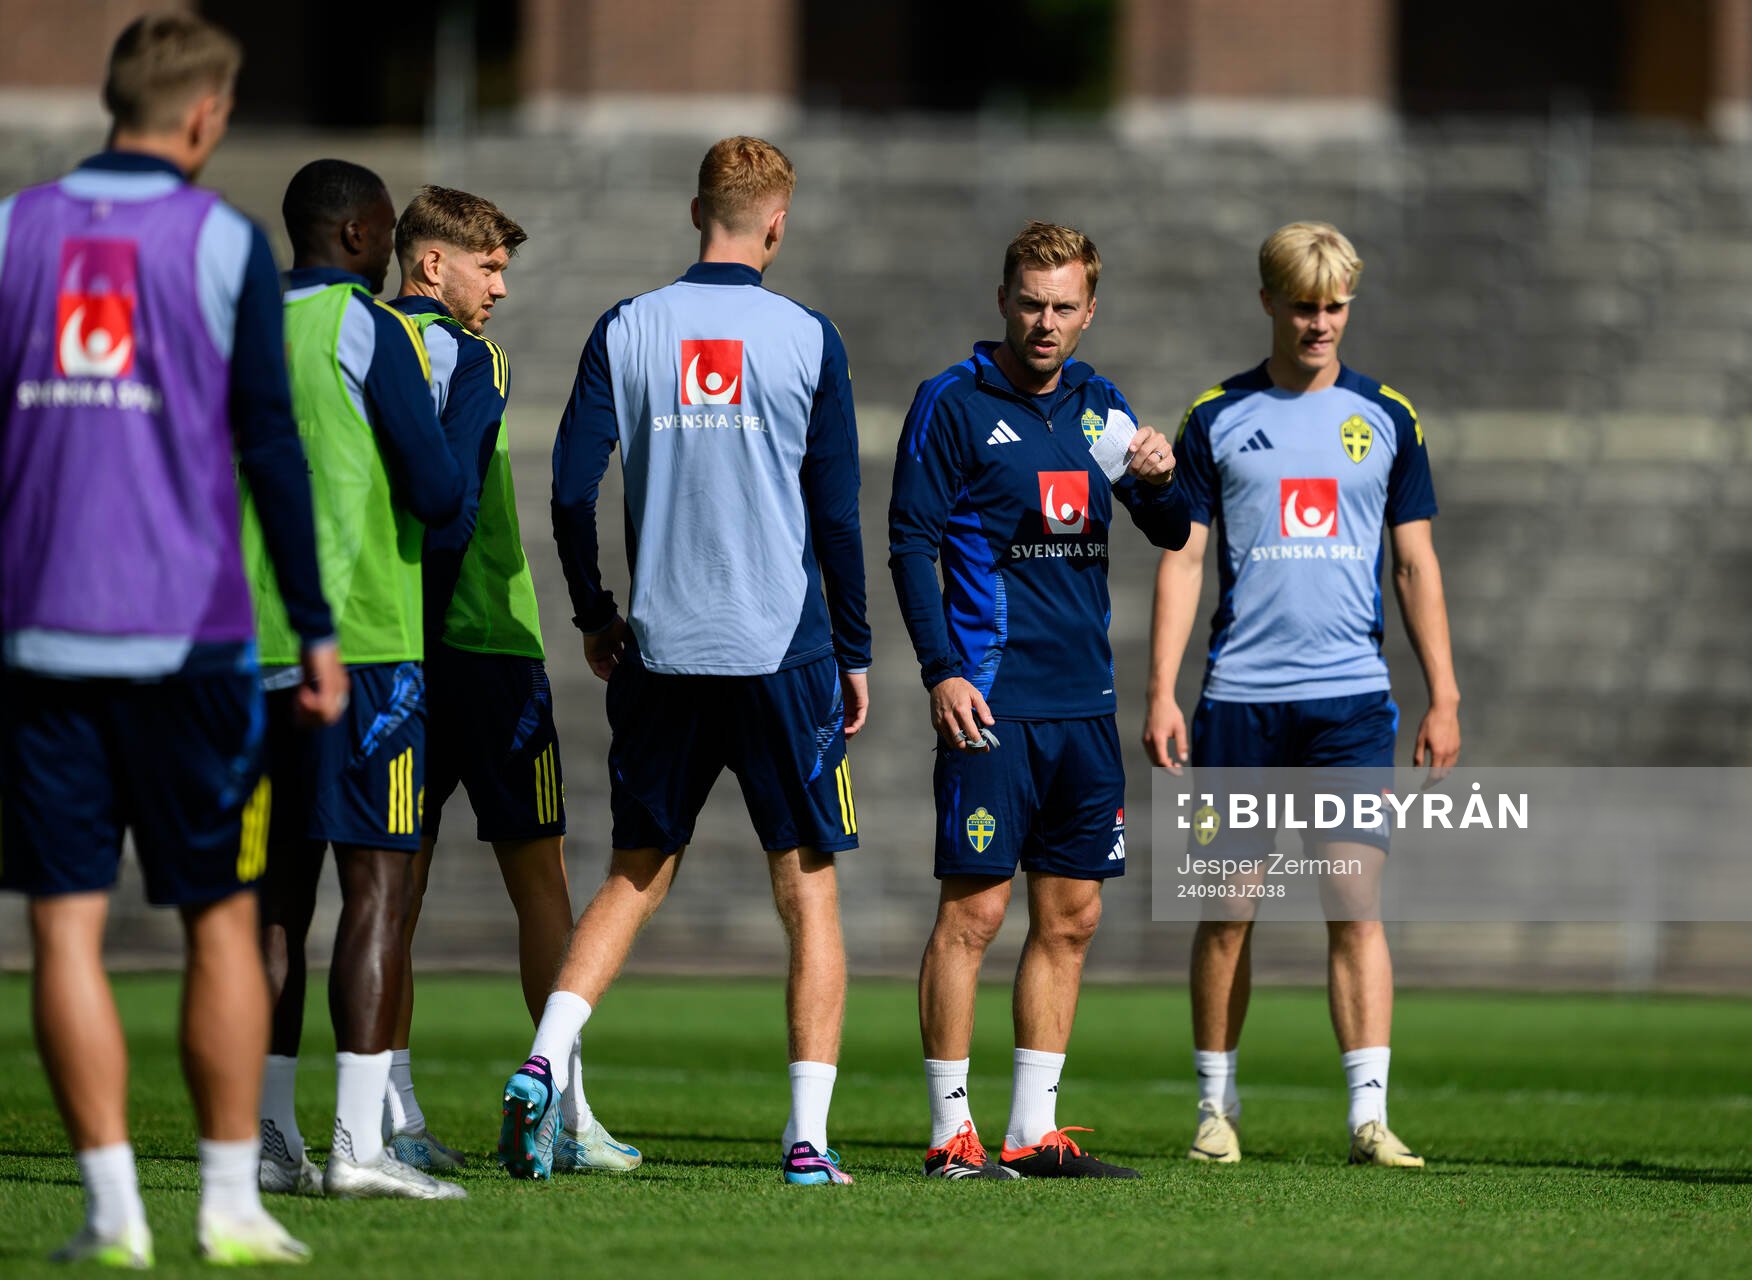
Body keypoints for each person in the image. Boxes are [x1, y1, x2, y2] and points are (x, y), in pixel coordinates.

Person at [0, 13, 342, 1265]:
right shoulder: (219, 241)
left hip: (40, 637)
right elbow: (268, 445)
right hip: (194, 642)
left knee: (65, 927)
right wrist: (313, 626)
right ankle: (228, 1200)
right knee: (219, 914)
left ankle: (111, 1208)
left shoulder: (10, 230)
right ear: (203, 114)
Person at [500, 135, 869, 1186]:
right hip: (780, 646)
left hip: (660, 645)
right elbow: (835, 514)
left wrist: (595, 611)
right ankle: (805, 1141)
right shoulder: (806, 335)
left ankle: (542, 1060)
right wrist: (856, 646)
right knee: (808, 890)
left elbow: (570, 491)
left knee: (631, 875)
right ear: (778, 220)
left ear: (695, 208)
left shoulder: (629, 326)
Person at [1142, 221, 1461, 1168]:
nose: (1319, 324)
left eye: (1334, 307)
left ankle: (1369, 1116)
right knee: (1229, 907)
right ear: (1269, 303)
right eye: (1303, 306)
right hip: (1239, 702)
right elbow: (1185, 557)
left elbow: (1415, 564)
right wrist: (1161, 690)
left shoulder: (1389, 417)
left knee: (1353, 902)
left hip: (1352, 701)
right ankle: (1216, 1108)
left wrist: (1443, 694)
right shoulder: (1216, 417)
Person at [888, 221, 1188, 1180]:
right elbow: (908, 543)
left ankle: (1031, 1134)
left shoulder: (1102, 410)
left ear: (1089, 310)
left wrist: (1163, 477)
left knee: (1072, 920)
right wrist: (942, 669)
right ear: (1003, 298)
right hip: (994, 703)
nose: (1045, 322)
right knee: (973, 916)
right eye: (1031, 302)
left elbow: (1173, 529)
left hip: (1084, 709)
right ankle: (950, 1138)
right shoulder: (954, 404)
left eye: (1064, 306)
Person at [388, 185, 640, 1173]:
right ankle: (567, 1107)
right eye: (486, 264)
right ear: (429, 262)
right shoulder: (471, 356)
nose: (498, 285)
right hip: (486, 647)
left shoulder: (362, 345)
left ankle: (390, 1105)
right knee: (541, 882)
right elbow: (449, 517)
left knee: (388, 889)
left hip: (396, 648)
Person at [244, 158, 470, 1201]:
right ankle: (357, 1144)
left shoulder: (234, 326)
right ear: (355, 234)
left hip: (249, 649)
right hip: (366, 644)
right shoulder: (368, 326)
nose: (387, 252)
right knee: (376, 887)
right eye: (381, 233)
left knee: (275, 900)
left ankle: (270, 1137)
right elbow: (434, 487)